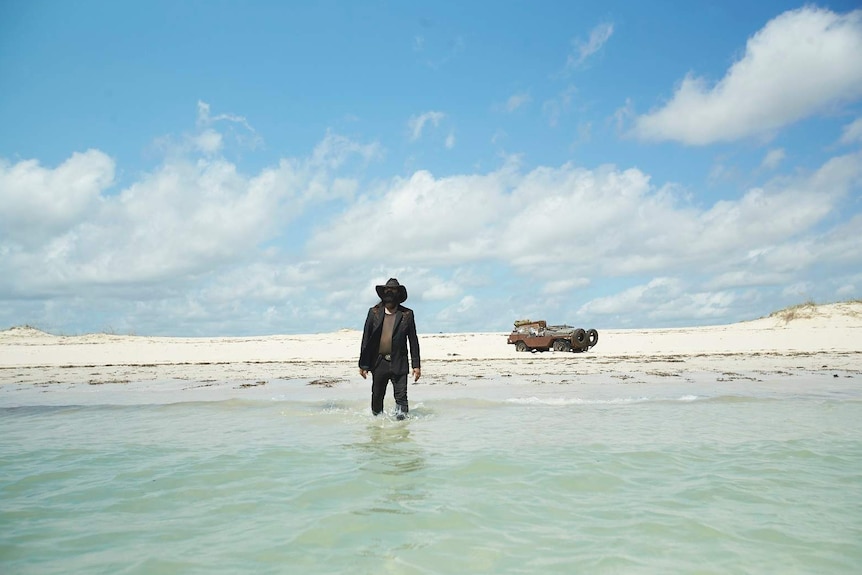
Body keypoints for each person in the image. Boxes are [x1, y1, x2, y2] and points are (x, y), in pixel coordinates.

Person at [358, 278, 421, 420]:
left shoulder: (407, 314)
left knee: (401, 399)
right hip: (379, 363)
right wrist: (363, 364)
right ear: (383, 293)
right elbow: (366, 338)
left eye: (393, 290)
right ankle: (376, 429)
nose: (390, 292)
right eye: (387, 290)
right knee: (377, 397)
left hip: (399, 362)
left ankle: (402, 431)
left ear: (398, 294)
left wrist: (416, 365)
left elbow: (413, 340)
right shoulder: (373, 312)